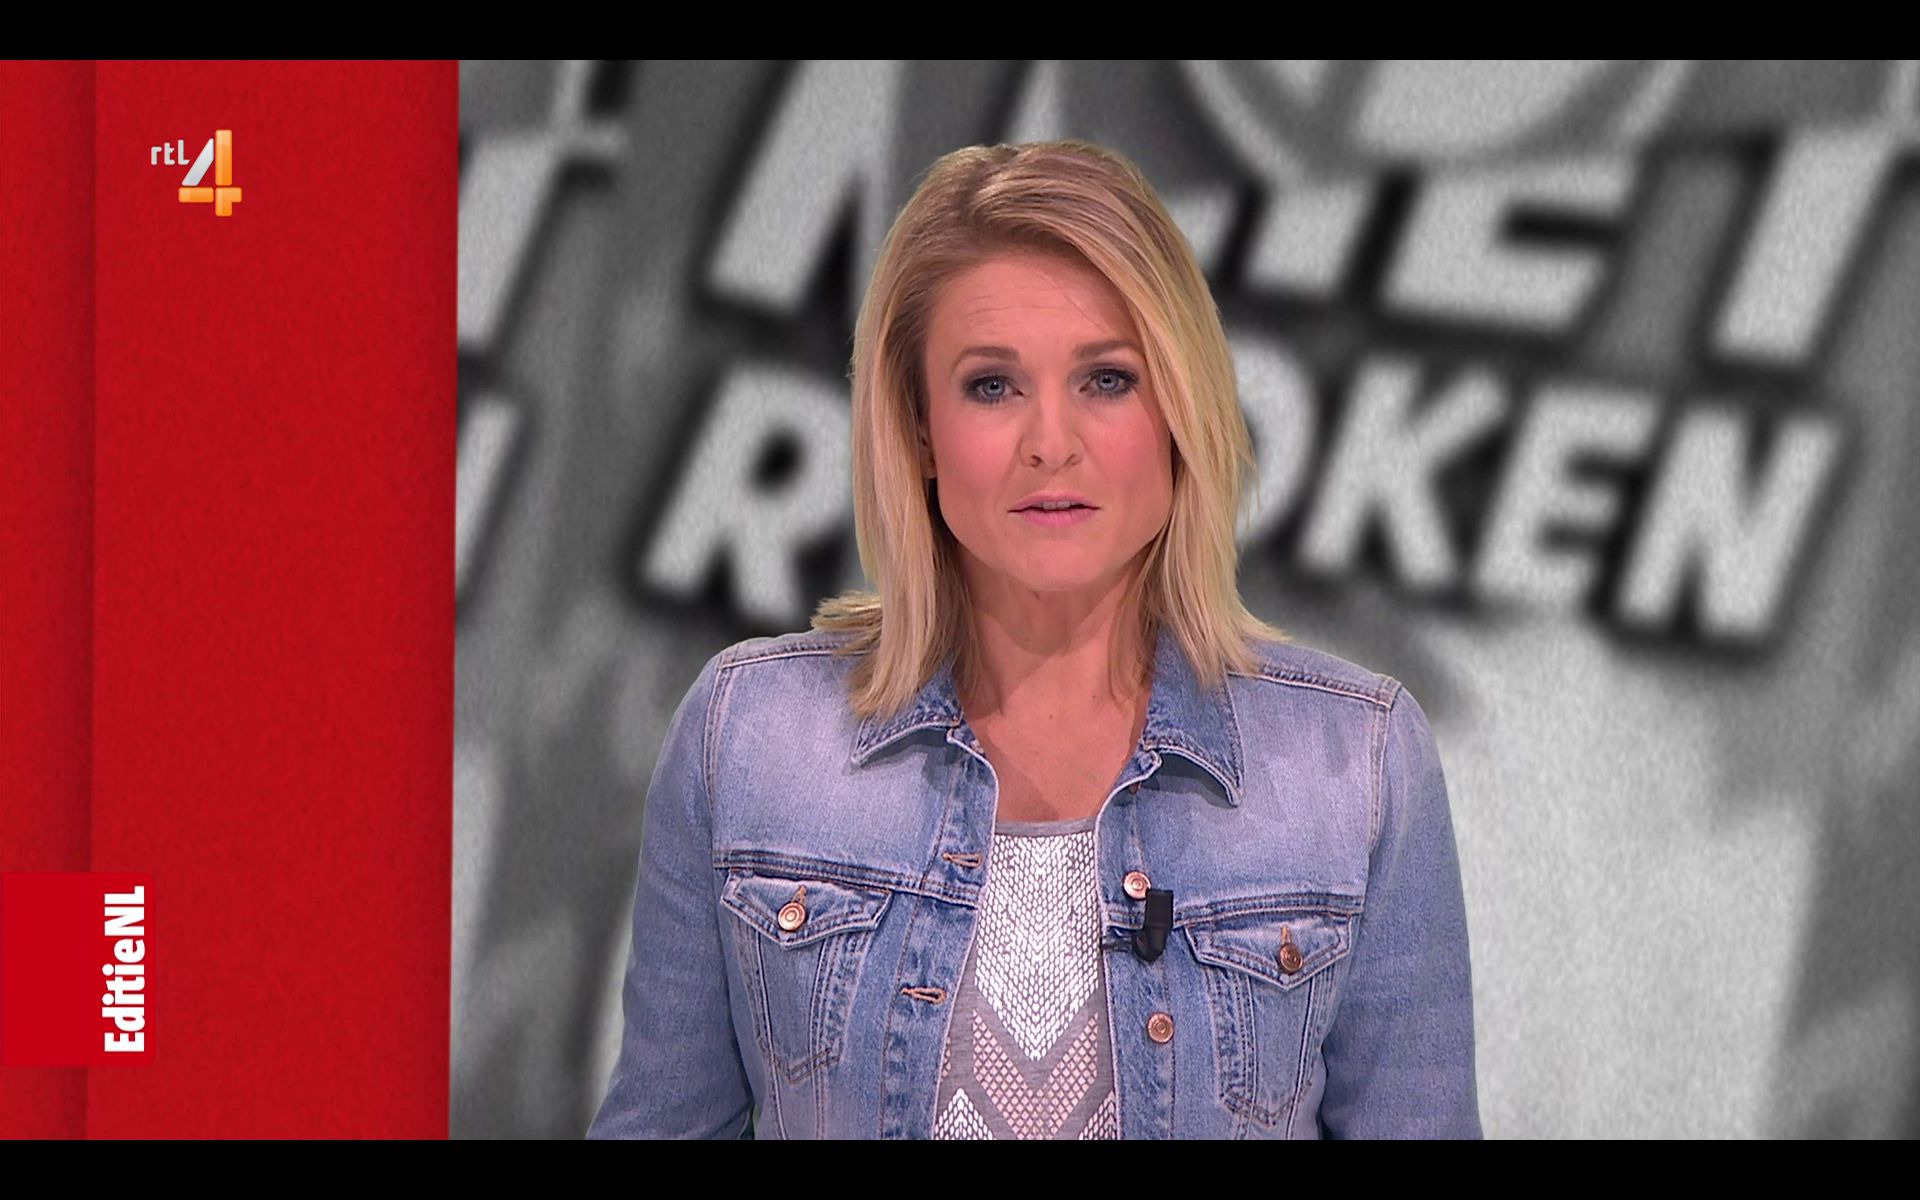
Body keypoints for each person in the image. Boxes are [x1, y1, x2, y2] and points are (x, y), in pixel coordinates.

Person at [587, 139, 1480, 1140]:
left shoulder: (1355, 764)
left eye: (1107, 379)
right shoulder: (750, 736)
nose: (1052, 443)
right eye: (992, 386)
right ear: (917, 428)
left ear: (1179, 409)